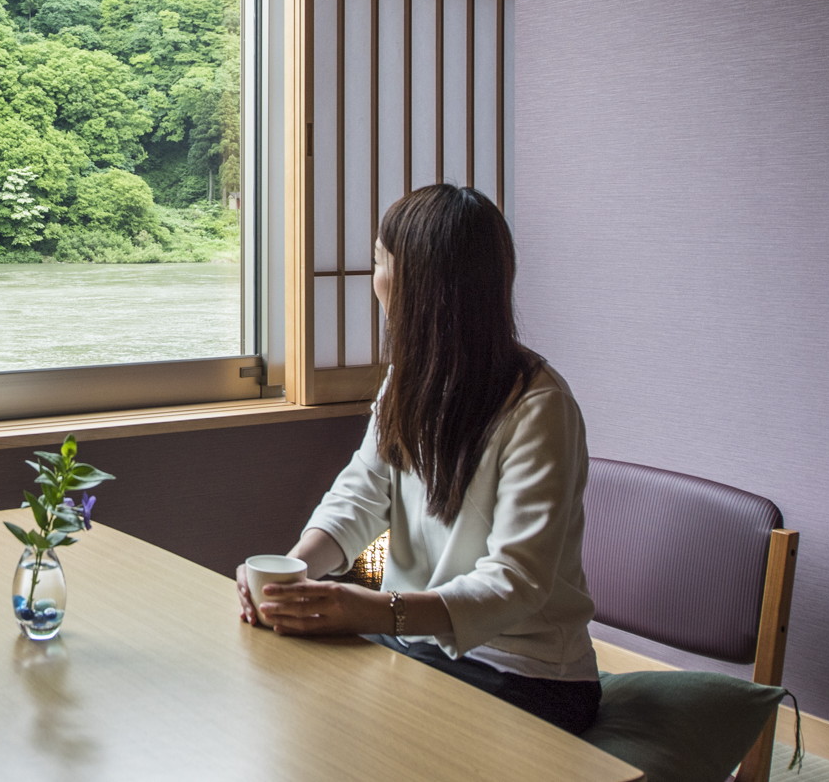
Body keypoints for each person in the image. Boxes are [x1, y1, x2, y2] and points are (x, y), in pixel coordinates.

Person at [235, 184, 601, 735]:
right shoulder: (409, 381)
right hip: (414, 640)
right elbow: (362, 493)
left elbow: (516, 581)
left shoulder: (540, 408)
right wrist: (295, 574)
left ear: (424, 285)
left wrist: (374, 610)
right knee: (290, 707)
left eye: (381, 261)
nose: (374, 280)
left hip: (526, 671)